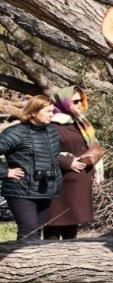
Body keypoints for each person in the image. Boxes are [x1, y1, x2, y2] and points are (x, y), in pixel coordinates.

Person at [0, 95, 64, 240]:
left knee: (35, 233)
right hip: (21, 192)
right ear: (34, 112)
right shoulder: (15, 132)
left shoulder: (52, 131)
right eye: (48, 111)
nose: (51, 114)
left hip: (46, 190)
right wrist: (5, 172)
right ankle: (18, 262)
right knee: (28, 232)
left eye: (52, 111)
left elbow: (55, 156)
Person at [45, 86, 102, 240]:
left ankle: (70, 261)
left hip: (80, 180)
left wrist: (94, 166)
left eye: (81, 100)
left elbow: (90, 145)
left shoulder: (81, 123)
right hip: (59, 181)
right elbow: (41, 151)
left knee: (72, 224)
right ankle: (49, 261)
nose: (79, 104)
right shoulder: (50, 123)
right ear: (63, 102)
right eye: (75, 101)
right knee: (54, 223)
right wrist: (67, 161)